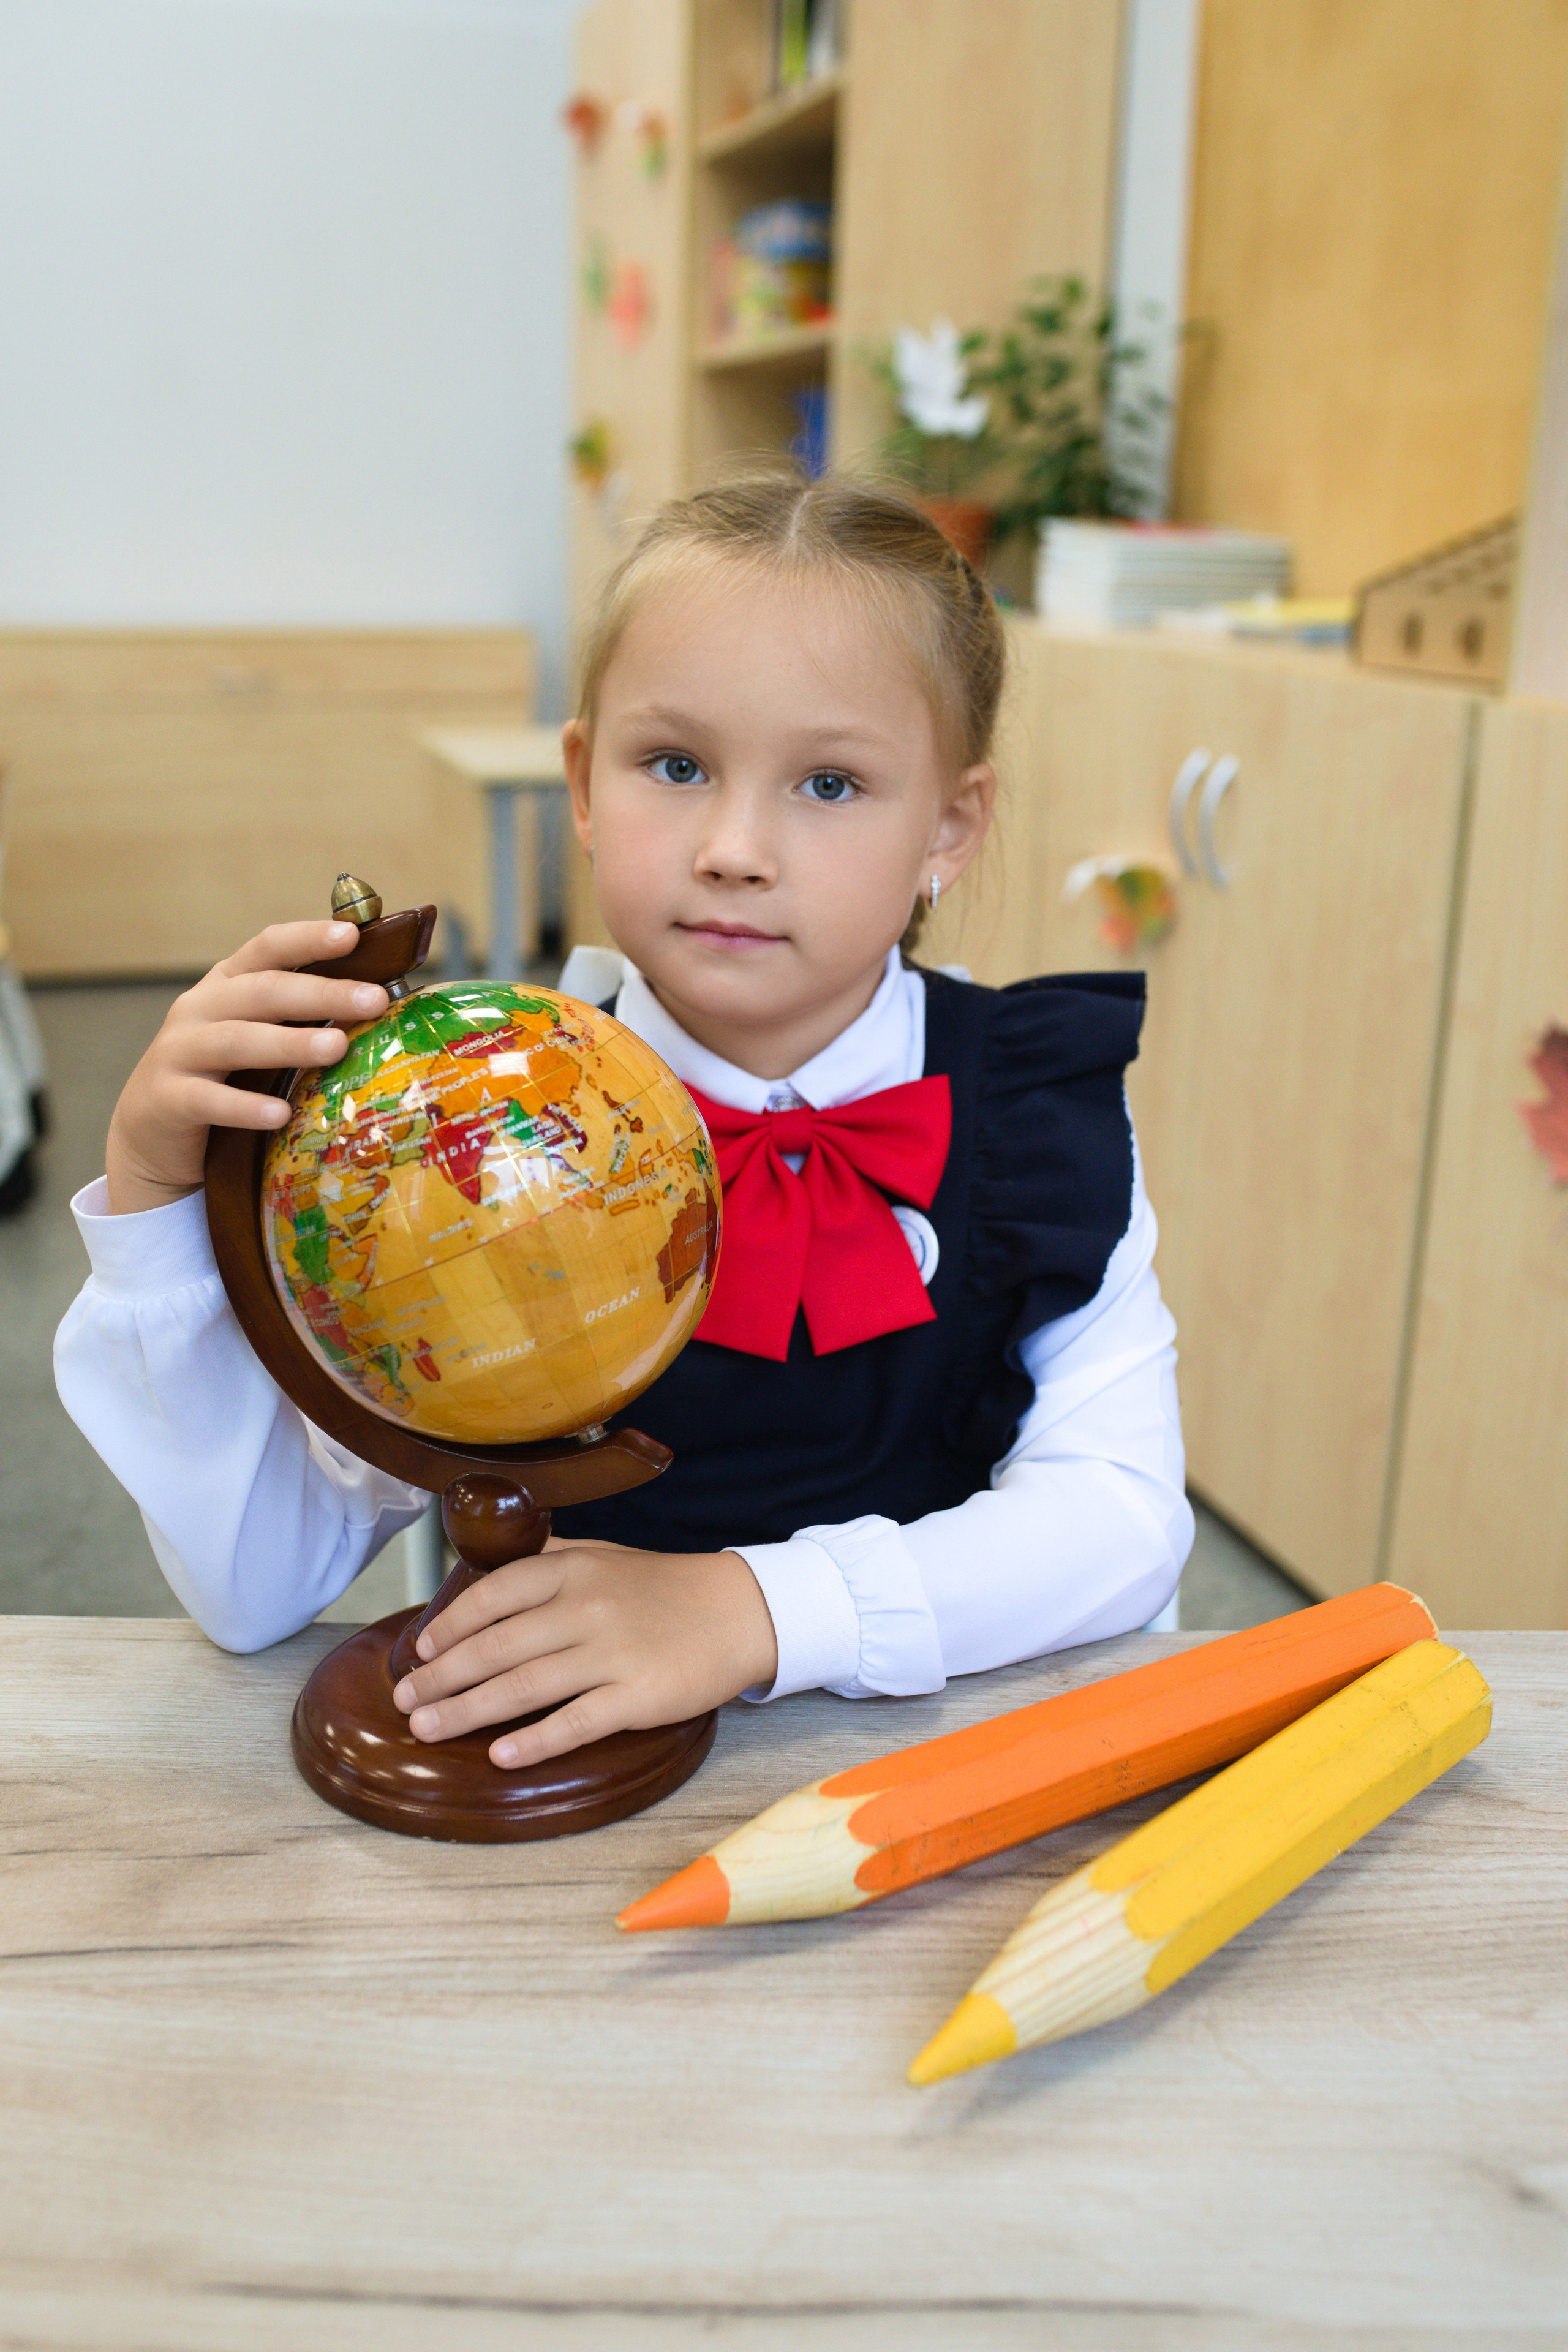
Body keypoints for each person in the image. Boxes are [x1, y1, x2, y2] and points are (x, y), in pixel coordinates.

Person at [56, 473, 1192, 1776]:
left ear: (949, 825)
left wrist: (750, 1610)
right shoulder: (457, 1124)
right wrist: (159, 1199)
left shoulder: (1035, 1109)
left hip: (952, 1782)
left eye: (828, 784)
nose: (731, 847)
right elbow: (257, 1586)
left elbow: (1116, 1520)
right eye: (675, 765)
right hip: (571, 1845)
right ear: (584, 786)